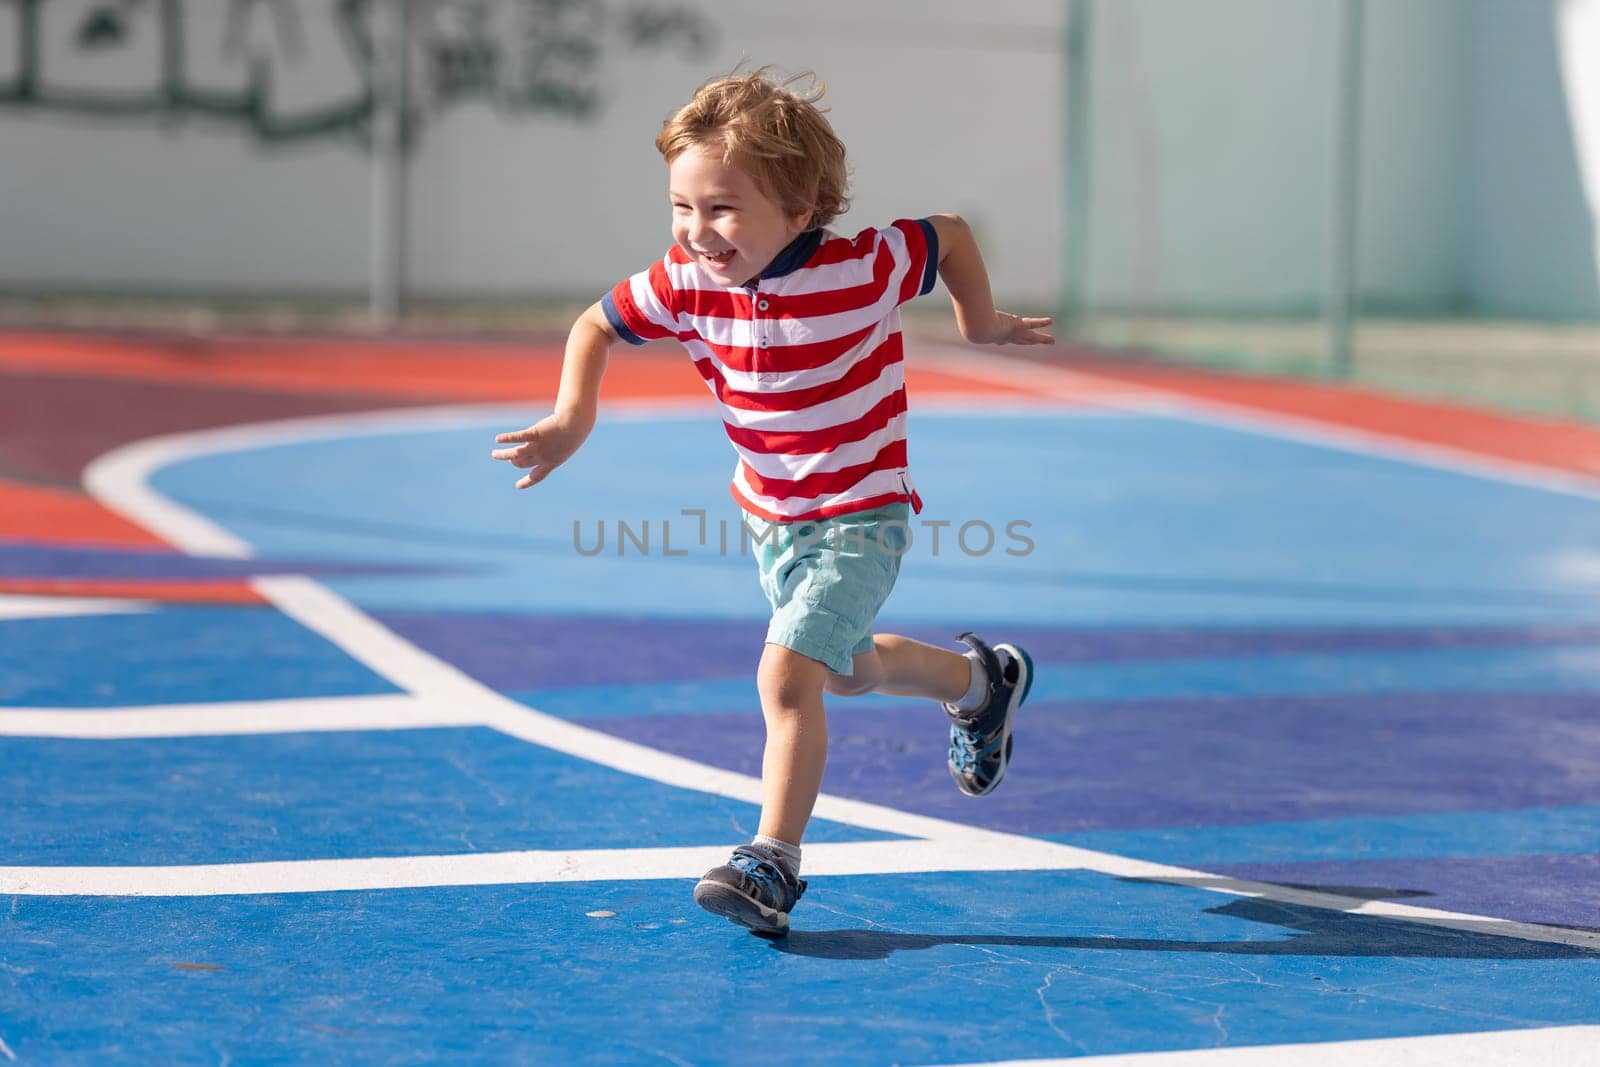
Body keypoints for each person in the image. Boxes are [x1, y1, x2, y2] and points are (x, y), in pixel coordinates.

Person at [492, 69, 1052, 937]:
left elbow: (949, 235)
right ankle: (984, 684)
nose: (696, 231)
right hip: (772, 522)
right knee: (846, 670)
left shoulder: (862, 268)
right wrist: (574, 415)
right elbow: (597, 324)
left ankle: (771, 862)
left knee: (786, 675)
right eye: (682, 207)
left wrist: (977, 320)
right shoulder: (685, 281)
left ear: (801, 208)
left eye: (722, 208)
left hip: (862, 514)